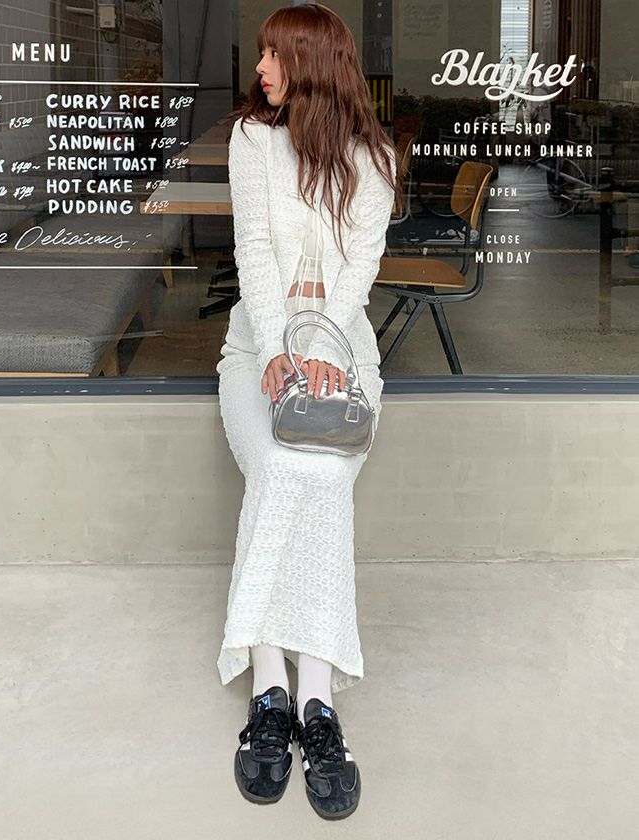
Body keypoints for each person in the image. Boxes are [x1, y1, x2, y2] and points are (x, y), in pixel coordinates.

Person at [215, 2, 403, 820]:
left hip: (344, 358)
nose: (260, 69)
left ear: (311, 63)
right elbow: (254, 252)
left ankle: (311, 697)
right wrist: (274, 350)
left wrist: (322, 351)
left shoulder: (374, 157)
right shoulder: (251, 140)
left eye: (272, 55)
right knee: (281, 467)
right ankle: (274, 688)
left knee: (318, 477)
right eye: (261, 54)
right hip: (255, 350)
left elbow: (360, 268)